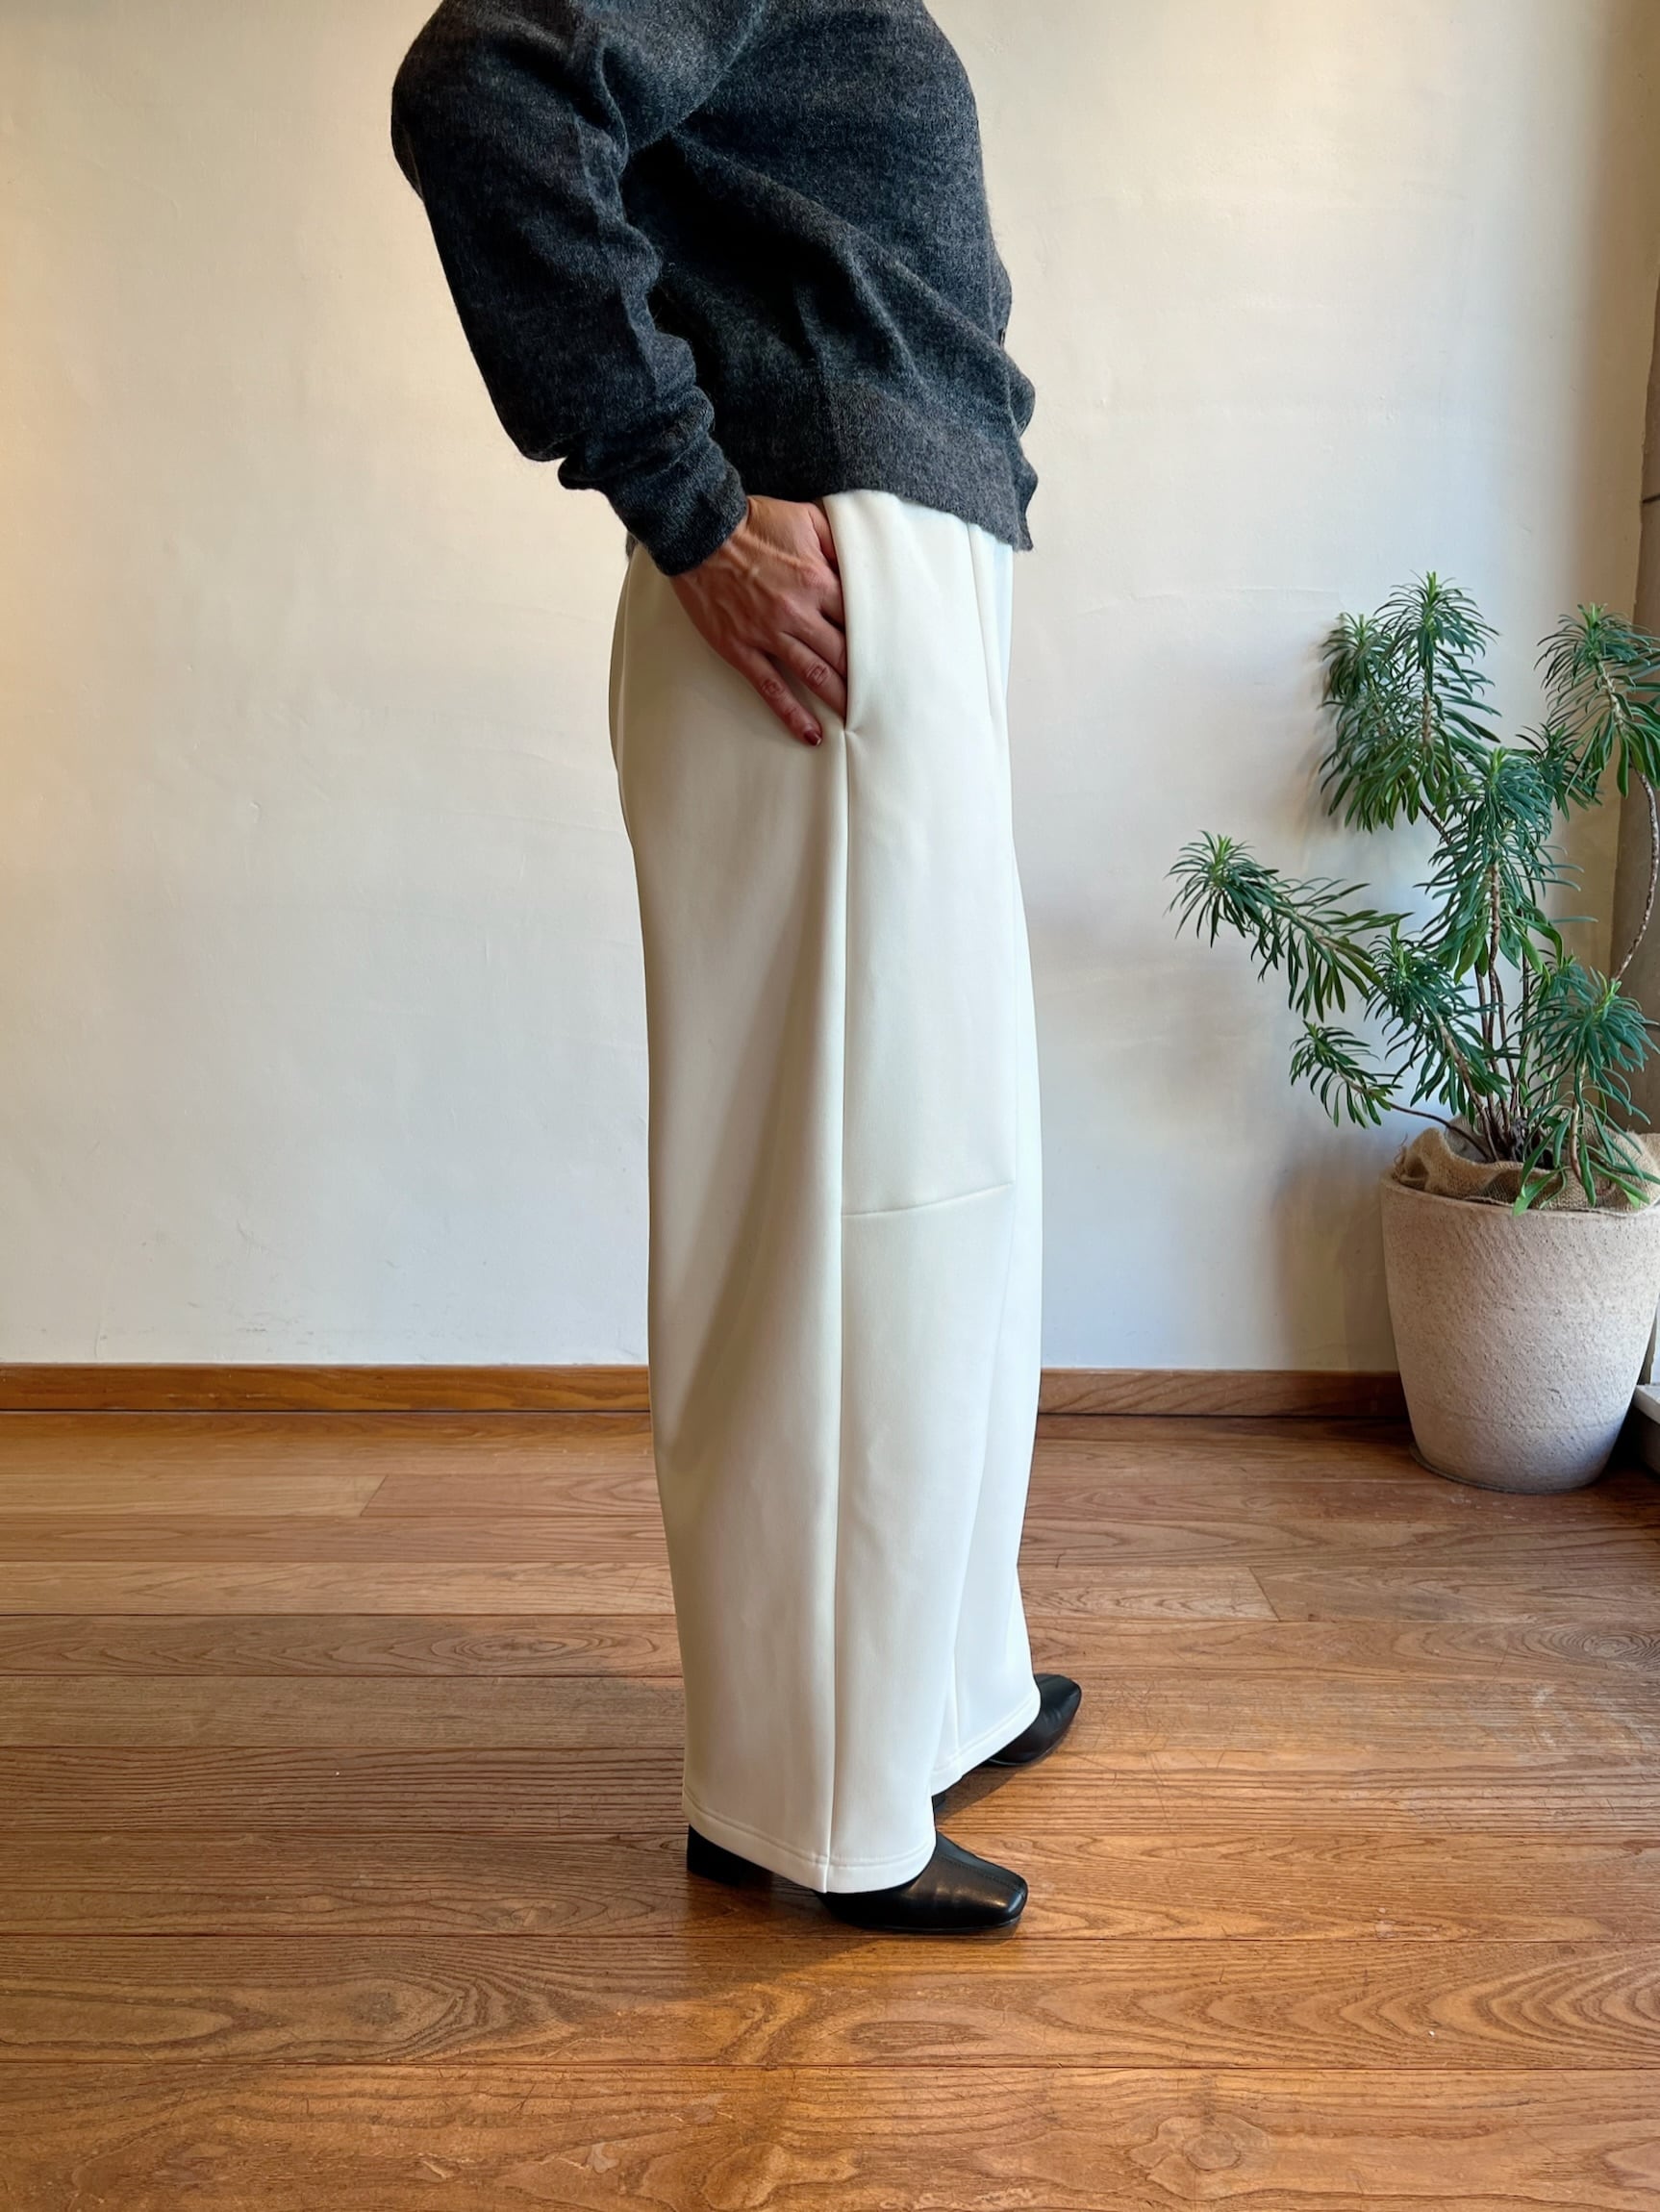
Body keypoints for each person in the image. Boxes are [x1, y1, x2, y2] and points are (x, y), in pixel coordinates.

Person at [390, 0, 1080, 1936]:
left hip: (889, 576)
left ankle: (931, 1695)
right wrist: (686, 502)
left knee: (943, 1192)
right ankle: (811, 1802)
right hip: (820, 598)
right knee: (848, 1221)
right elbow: (481, 85)